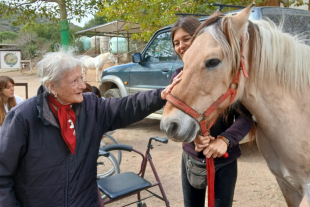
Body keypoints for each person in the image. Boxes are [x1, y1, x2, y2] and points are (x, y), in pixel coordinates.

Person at [0, 48, 181, 207]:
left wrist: (161, 95)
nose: (83, 86)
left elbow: (126, 106)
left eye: (82, 78)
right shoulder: (23, 117)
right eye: (74, 81)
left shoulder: (91, 107)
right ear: (51, 86)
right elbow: (2, 174)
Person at [170, 16, 252, 207]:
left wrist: (225, 140)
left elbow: (246, 118)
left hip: (224, 158)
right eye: (176, 42)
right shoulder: (177, 79)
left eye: (186, 39)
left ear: (201, 38)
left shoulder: (225, 74)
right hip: (192, 158)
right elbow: (177, 119)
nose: (181, 46)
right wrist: (194, 137)